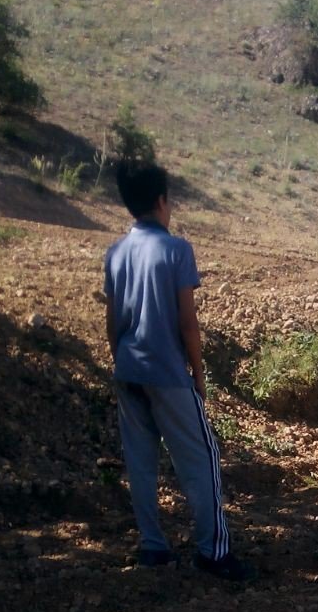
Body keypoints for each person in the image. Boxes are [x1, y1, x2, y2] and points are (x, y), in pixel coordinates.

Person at [104, 162, 252, 581]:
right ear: (161, 201)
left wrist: (122, 361)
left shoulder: (116, 252)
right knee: (202, 461)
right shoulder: (176, 250)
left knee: (141, 463)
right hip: (168, 372)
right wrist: (199, 378)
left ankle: (153, 546)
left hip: (129, 370)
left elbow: (112, 322)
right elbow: (188, 324)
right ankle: (213, 551)